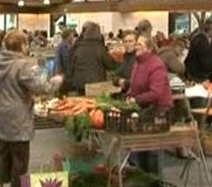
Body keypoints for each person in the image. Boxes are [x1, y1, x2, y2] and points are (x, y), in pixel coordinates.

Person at [0, 30, 64, 187]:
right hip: (18, 114)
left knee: (3, 150)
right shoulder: (23, 64)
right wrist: (56, 80)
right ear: (22, 45)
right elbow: (42, 86)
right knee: (20, 153)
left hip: (0, 113)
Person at [127, 35, 173, 173]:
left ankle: (156, 183)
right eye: (137, 44)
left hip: (158, 111)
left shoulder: (156, 65)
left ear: (148, 48)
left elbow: (156, 93)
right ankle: (144, 179)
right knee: (141, 148)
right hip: (144, 110)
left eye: (140, 44)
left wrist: (136, 100)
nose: (136, 47)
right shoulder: (138, 63)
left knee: (152, 151)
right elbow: (134, 85)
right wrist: (129, 95)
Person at [68, 21, 116, 95]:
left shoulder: (78, 47)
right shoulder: (100, 48)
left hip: (80, 83)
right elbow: (110, 65)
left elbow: (71, 64)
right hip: (96, 84)